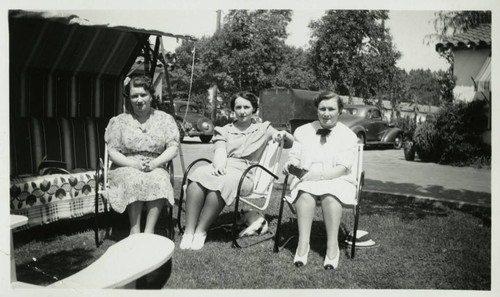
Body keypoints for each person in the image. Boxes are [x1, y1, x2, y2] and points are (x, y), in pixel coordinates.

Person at [180, 91, 293, 250]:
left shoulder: (263, 128)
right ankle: (189, 231)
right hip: (223, 165)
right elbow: (220, 150)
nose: (242, 111)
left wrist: (282, 134)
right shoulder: (224, 129)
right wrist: (219, 165)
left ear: (254, 109)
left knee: (224, 181)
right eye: (238, 107)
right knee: (198, 174)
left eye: (246, 107)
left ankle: (201, 231)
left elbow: (289, 142)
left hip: (245, 173)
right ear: (233, 109)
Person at [283, 91, 358, 270]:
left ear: (339, 110)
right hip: (308, 177)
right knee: (305, 193)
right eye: (322, 108)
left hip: (338, 178)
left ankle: (332, 247)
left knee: (330, 195)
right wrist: (290, 164)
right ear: (317, 109)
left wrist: (319, 176)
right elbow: (295, 155)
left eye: (331, 109)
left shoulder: (347, 135)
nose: (326, 113)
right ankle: (303, 244)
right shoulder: (303, 131)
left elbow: (342, 168)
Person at [104, 76, 179, 235]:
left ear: (151, 96)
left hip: (155, 163)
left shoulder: (165, 119)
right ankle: (135, 230)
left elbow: (173, 147)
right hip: (126, 165)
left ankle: (149, 231)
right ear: (128, 99)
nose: (139, 100)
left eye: (143, 95)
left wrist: (155, 163)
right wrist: (134, 165)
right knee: (134, 178)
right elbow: (112, 152)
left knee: (159, 179)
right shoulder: (119, 121)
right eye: (134, 96)